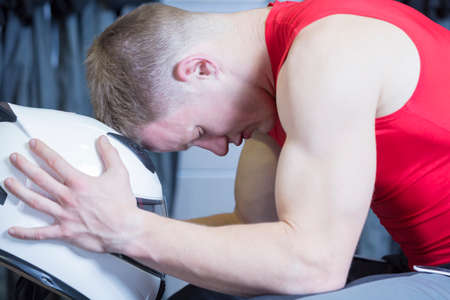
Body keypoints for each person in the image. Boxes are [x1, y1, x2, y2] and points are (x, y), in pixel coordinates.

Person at [3, 0, 450, 299]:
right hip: (426, 266)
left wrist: (126, 231)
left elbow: (314, 263)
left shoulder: (329, 53)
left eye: (199, 131)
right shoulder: (276, 86)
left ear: (199, 69)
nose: (217, 150)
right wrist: (92, 240)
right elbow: (249, 226)